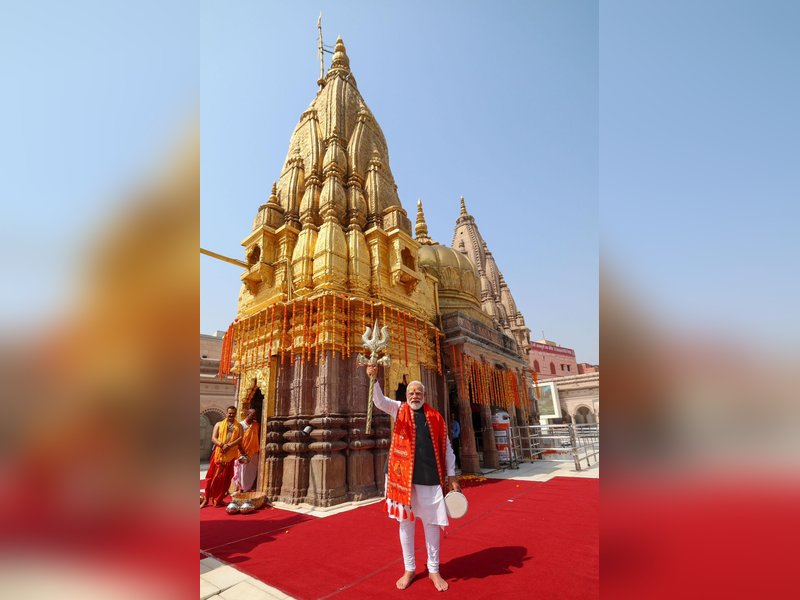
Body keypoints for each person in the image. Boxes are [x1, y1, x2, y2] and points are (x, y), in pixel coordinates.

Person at [365, 363, 461, 592]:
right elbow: (379, 402)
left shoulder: (436, 417)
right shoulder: (398, 409)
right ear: (406, 395)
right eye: (411, 392)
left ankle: (434, 569)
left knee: (431, 524)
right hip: (402, 480)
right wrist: (374, 379)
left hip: (430, 479)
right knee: (406, 524)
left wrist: (452, 475)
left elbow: (447, 448)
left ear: (424, 396)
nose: (414, 396)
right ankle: (409, 568)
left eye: (418, 392)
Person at [201, 406, 243, 508]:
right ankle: (206, 499)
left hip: (230, 455)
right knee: (211, 477)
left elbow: (240, 438)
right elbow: (213, 438)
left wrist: (229, 445)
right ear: (226, 413)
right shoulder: (219, 424)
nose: (231, 415)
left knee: (226, 478)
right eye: (229, 413)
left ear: (235, 414)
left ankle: (218, 499)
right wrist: (222, 445)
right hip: (218, 454)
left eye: (233, 413)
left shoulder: (239, 426)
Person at [233, 408, 260, 493]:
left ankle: (248, 488)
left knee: (252, 470)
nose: (254, 417)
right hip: (243, 452)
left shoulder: (256, 425)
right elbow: (237, 439)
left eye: (255, 415)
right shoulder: (241, 425)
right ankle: (241, 488)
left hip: (253, 452)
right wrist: (242, 451)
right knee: (242, 471)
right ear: (247, 414)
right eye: (252, 415)